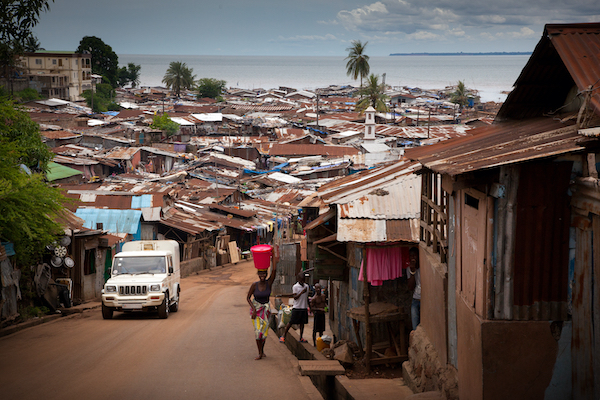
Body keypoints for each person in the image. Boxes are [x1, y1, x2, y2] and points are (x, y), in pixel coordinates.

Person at [246, 258, 277, 360]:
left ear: (266, 274)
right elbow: (248, 298)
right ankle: (259, 353)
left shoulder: (269, 283)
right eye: (260, 274)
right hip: (257, 310)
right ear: (258, 275)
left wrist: (274, 259)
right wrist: (254, 309)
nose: (262, 276)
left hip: (266, 310)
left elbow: (274, 271)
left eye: (264, 274)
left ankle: (262, 351)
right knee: (258, 332)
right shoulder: (255, 285)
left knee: (264, 333)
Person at [280, 271, 310, 344]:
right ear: (298, 279)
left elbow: (306, 297)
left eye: (304, 280)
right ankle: (283, 336)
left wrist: (309, 306)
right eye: (301, 280)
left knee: (302, 323)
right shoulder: (295, 287)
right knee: (291, 322)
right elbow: (295, 297)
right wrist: (302, 292)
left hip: (304, 307)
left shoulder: (307, 286)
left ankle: (301, 337)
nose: (302, 282)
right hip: (297, 307)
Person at [407, 247, 421, 330]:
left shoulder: (423, 266)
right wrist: (412, 272)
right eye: (410, 256)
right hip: (415, 299)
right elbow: (410, 287)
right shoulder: (409, 268)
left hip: (424, 300)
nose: (413, 258)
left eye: (414, 256)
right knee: (415, 328)